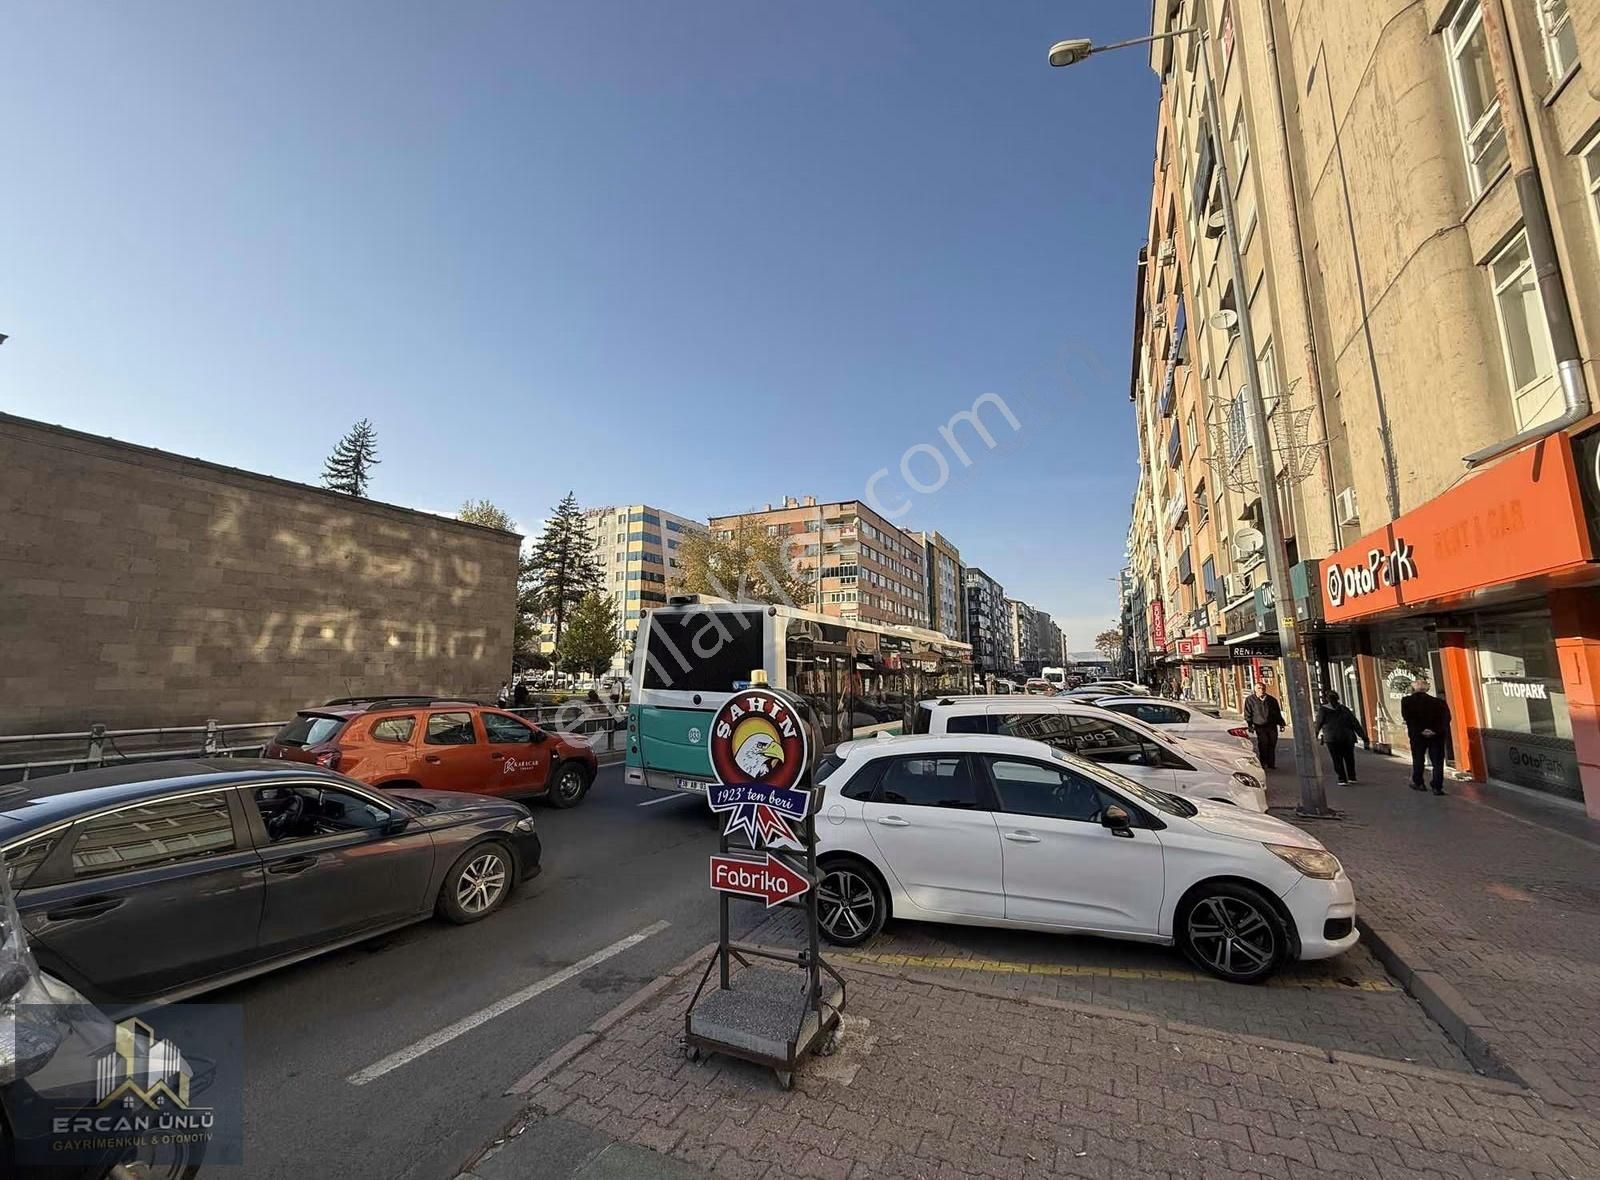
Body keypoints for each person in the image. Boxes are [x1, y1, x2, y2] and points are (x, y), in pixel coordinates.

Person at [1401, 677, 1451, 794]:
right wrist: (1434, 730)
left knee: (1418, 758)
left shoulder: (1407, 701)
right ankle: (1437, 787)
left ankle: (1418, 782)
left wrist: (1421, 730)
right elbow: (1446, 718)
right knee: (1437, 762)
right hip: (1436, 736)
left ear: (1413, 688)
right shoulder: (1438, 702)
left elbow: (1408, 717)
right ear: (1427, 689)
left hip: (1417, 736)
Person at [1315, 690, 1369, 785]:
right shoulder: (1344, 709)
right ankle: (1352, 777)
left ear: (1327, 699)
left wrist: (1315, 735)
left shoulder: (1323, 710)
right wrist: (1363, 736)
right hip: (1347, 737)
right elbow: (1355, 723)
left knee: (1337, 758)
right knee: (1349, 758)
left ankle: (1342, 779)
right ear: (1338, 699)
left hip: (1332, 738)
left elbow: (1318, 724)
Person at [1242, 681, 1286, 769]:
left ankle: (1271, 764)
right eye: (1259, 688)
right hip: (1259, 725)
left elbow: (1277, 713)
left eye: (1263, 688)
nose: (1261, 690)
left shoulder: (1271, 700)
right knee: (1263, 743)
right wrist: (1250, 724)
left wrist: (1281, 724)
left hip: (1271, 725)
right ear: (1255, 690)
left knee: (1272, 743)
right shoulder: (1250, 700)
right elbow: (1248, 713)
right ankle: (1263, 762)